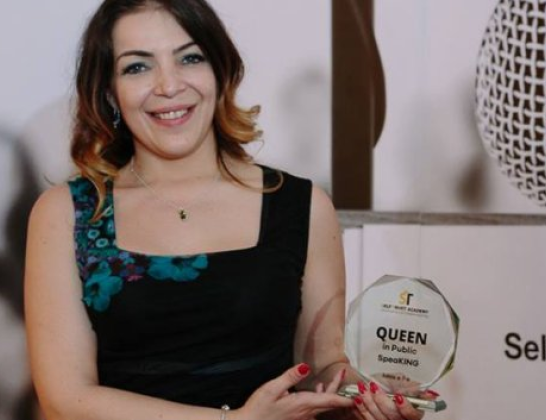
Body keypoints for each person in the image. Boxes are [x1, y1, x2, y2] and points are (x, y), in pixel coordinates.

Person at [24, 1, 434, 420]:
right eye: (137, 67)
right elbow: (65, 399)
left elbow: (320, 369)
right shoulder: (68, 214)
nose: (169, 85)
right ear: (110, 91)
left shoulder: (301, 205)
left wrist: (369, 395)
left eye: (190, 58)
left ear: (221, 72)